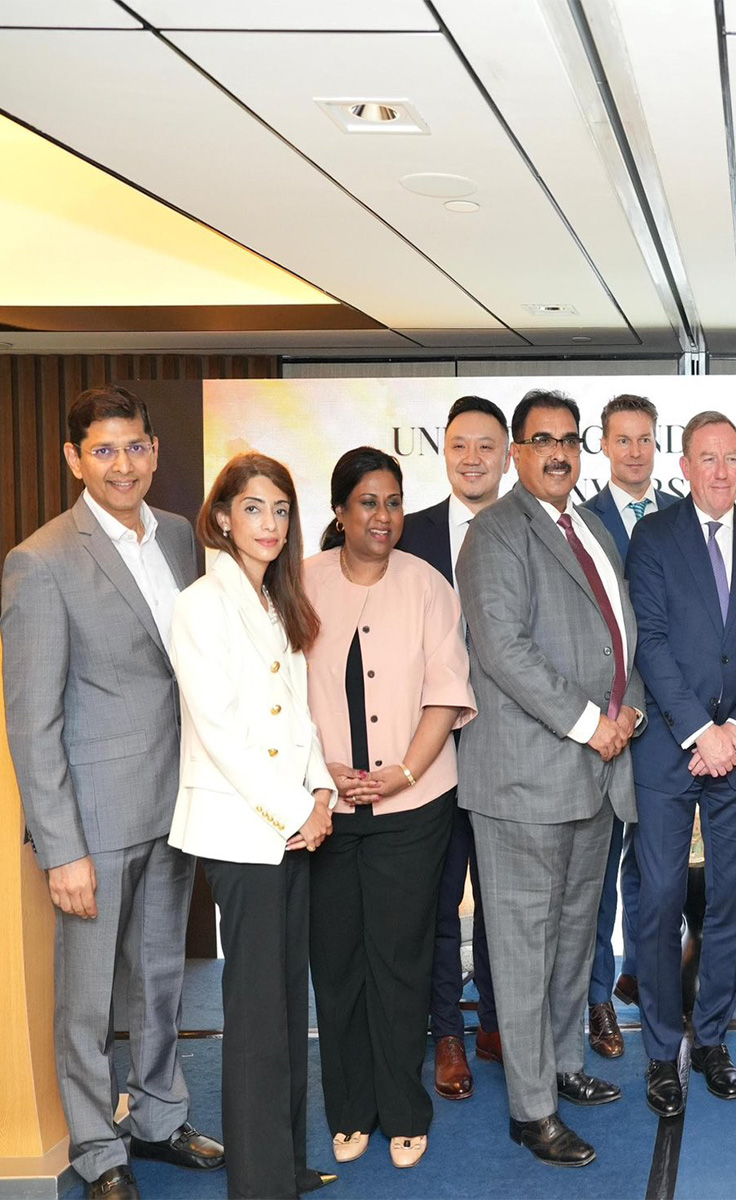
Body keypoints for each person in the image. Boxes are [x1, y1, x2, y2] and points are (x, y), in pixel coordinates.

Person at [1, 386, 222, 1200]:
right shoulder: (41, 560)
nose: (121, 464)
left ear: (155, 452)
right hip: (92, 820)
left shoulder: (178, 539)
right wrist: (61, 849)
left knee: (161, 977)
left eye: (133, 447)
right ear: (73, 459)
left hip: (178, 802)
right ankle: (98, 1148)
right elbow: (33, 721)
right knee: (88, 1001)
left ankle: (160, 1117)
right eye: (103, 450)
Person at [456, 389, 642, 1168]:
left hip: (594, 777)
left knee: (571, 942)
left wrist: (627, 708)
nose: (559, 451)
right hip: (528, 784)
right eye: (542, 440)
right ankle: (532, 1111)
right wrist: (589, 723)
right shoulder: (497, 534)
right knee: (524, 952)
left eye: (569, 439)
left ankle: (565, 1064)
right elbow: (504, 649)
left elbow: (620, 634)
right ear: (516, 452)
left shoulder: (589, 525)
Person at [167, 454, 337, 1199]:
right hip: (244, 832)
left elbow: (298, 721)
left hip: (290, 824)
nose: (269, 524)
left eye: (280, 510)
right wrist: (297, 809)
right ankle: (260, 1183)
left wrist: (323, 791)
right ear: (222, 516)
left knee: (285, 1008)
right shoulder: (203, 604)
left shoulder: (274, 602)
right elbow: (223, 732)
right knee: (258, 1012)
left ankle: (286, 1166)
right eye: (254, 508)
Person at [303, 447, 475, 1171]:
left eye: (395, 502)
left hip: (415, 806)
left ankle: (404, 1109)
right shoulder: (299, 583)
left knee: (399, 962)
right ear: (340, 511)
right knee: (337, 964)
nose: (384, 516)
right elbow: (277, 692)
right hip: (324, 809)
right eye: (369, 502)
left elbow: (445, 694)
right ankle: (351, 1110)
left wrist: (402, 772)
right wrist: (323, 773)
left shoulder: (429, 585)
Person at [625, 410, 736, 1116]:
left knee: (729, 903)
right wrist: (701, 730)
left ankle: (716, 1038)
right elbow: (651, 643)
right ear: (685, 467)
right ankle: (664, 1051)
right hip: (670, 753)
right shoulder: (654, 536)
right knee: (660, 900)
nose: (722, 471)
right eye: (708, 458)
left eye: (732, 458)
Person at [394, 394, 511, 1102]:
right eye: (461, 445)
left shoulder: (530, 530)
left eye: (487, 447)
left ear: (507, 455)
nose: (473, 459)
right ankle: (447, 1035)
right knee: (437, 905)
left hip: (508, 753)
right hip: (428, 754)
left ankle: (499, 1020)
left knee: (503, 902)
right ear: (443, 450)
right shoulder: (407, 535)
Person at [581, 393, 681, 1057]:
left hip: (668, 722)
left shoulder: (681, 515)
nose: (636, 451)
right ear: (604, 445)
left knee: (654, 870)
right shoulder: (579, 522)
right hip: (606, 722)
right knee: (598, 873)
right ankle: (596, 1003)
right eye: (623, 440)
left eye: (645, 439)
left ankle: (650, 983)